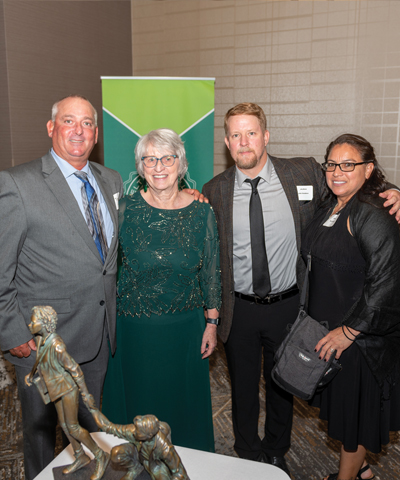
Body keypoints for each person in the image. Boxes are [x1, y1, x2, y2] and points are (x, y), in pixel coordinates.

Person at [201, 103, 400, 476]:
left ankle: (277, 451)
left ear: (266, 136)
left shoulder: (304, 170)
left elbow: (354, 184)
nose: (244, 142)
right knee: (243, 387)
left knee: (285, 382)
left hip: (291, 304)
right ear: (227, 142)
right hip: (239, 307)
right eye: (235, 135)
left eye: (251, 133)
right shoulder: (213, 191)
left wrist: (395, 193)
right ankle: (247, 452)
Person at [0, 95, 123, 480]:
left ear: (96, 133)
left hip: (98, 334)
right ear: (51, 128)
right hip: (41, 346)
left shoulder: (111, 180)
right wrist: (14, 333)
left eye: (87, 123)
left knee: (89, 434)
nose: (78, 130)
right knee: (41, 439)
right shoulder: (17, 184)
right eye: (68, 121)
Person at [102, 128, 221, 453]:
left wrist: (212, 323)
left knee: (182, 410)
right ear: (140, 166)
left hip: (185, 330)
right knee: (137, 415)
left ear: (180, 164)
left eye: (167, 158)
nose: (158, 166)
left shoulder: (202, 212)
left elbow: (211, 270)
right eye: (149, 159)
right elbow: (104, 267)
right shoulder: (123, 210)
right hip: (133, 332)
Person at [301, 134, 400, 480]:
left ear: (368, 169)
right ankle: (363, 472)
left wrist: (349, 331)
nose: (337, 172)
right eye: (332, 164)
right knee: (343, 414)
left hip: (358, 342)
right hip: (330, 332)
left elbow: (387, 283)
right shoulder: (332, 204)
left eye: (349, 164)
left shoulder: (374, 214)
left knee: (354, 420)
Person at [26, 306, 109, 480]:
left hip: (68, 389)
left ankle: (100, 455)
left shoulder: (57, 345)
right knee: (64, 426)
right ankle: (81, 456)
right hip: (56, 388)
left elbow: (75, 369)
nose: (30, 324)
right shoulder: (40, 339)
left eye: (34, 321)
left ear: (45, 324)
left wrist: (85, 394)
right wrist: (32, 374)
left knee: (73, 427)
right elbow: (43, 363)